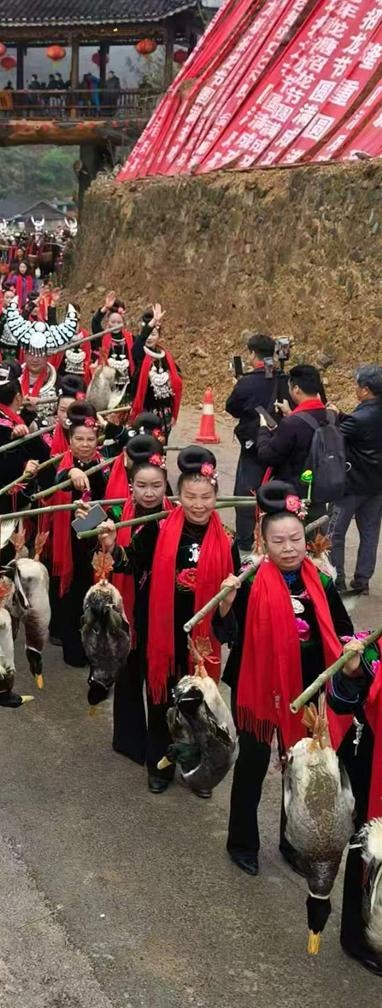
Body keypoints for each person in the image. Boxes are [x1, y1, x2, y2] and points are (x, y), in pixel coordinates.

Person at [214, 480, 353, 876]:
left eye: (296, 539)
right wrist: (226, 604)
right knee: (253, 764)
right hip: (257, 686)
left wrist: (351, 650)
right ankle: (242, 842)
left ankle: (292, 841)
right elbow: (225, 634)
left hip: (305, 687)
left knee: (300, 767)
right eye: (279, 541)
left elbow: (342, 630)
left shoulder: (320, 581)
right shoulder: (249, 580)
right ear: (263, 542)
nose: (289, 548)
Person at [145, 446, 239, 794]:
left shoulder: (227, 540)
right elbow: (132, 563)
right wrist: (112, 545)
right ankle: (159, 765)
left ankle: (200, 770)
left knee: (200, 707)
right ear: (178, 497)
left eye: (206, 497)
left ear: (216, 497)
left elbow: (233, 603)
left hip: (203, 635)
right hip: (166, 629)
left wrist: (228, 602)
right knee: (162, 700)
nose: (199, 504)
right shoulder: (159, 528)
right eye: (190, 496)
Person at [100, 434, 171, 765]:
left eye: (156, 485)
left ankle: (163, 747)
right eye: (142, 485)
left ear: (166, 484)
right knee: (128, 674)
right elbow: (82, 527)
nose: (149, 492)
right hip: (127, 605)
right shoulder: (118, 510)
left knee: (160, 681)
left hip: (161, 607)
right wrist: (91, 517)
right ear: (131, 486)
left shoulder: (175, 517)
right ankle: (128, 740)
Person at [326, 631, 382, 975]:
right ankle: (357, 935)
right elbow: (340, 701)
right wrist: (348, 671)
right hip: (372, 764)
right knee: (369, 844)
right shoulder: (372, 649)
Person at [43, 407, 109, 668]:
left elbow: (114, 501)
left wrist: (95, 520)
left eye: (90, 439)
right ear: (69, 440)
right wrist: (70, 473)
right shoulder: (60, 464)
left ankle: (95, 648)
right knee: (71, 595)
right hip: (68, 543)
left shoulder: (104, 466)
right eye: (79, 439)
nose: (85, 444)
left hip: (98, 540)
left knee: (94, 596)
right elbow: (49, 488)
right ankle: (72, 648)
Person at [329, 363, 382, 595]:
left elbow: (335, 437)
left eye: (357, 385)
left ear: (366, 390)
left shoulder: (361, 418)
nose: (355, 389)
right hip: (376, 486)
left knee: (334, 532)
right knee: (370, 533)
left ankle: (337, 578)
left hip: (352, 485)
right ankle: (362, 581)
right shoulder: (367, 414)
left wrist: (333, 416)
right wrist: (342, 415)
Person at [225, 334, 278, 551]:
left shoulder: (247, 382)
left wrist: (240, 384)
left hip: (253, 443)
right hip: (279, 441)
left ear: (253, 353)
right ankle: (270, 538)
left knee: (245, 493)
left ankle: (246, 542)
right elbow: (268, 376)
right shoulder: (280, 377)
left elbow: (232, 407)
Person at [255, 363, 330, 512]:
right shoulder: (331, 415)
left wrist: (263, 429)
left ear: (296, 389)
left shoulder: (291, 424)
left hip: (293, 494)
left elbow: (268, 455)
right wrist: (290, 414)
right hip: (320, 491)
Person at [130, 307, 182, 440]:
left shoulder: (165, 357)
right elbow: (138, 345)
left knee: (162, 446)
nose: (149, 338)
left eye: (153, 334)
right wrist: (152, 322)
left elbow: (177, 380)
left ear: (159, 336)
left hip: (165, 412)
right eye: (147, 334)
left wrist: (173, 413)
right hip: (146, 411)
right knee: (147, 445)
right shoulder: (140, 354)